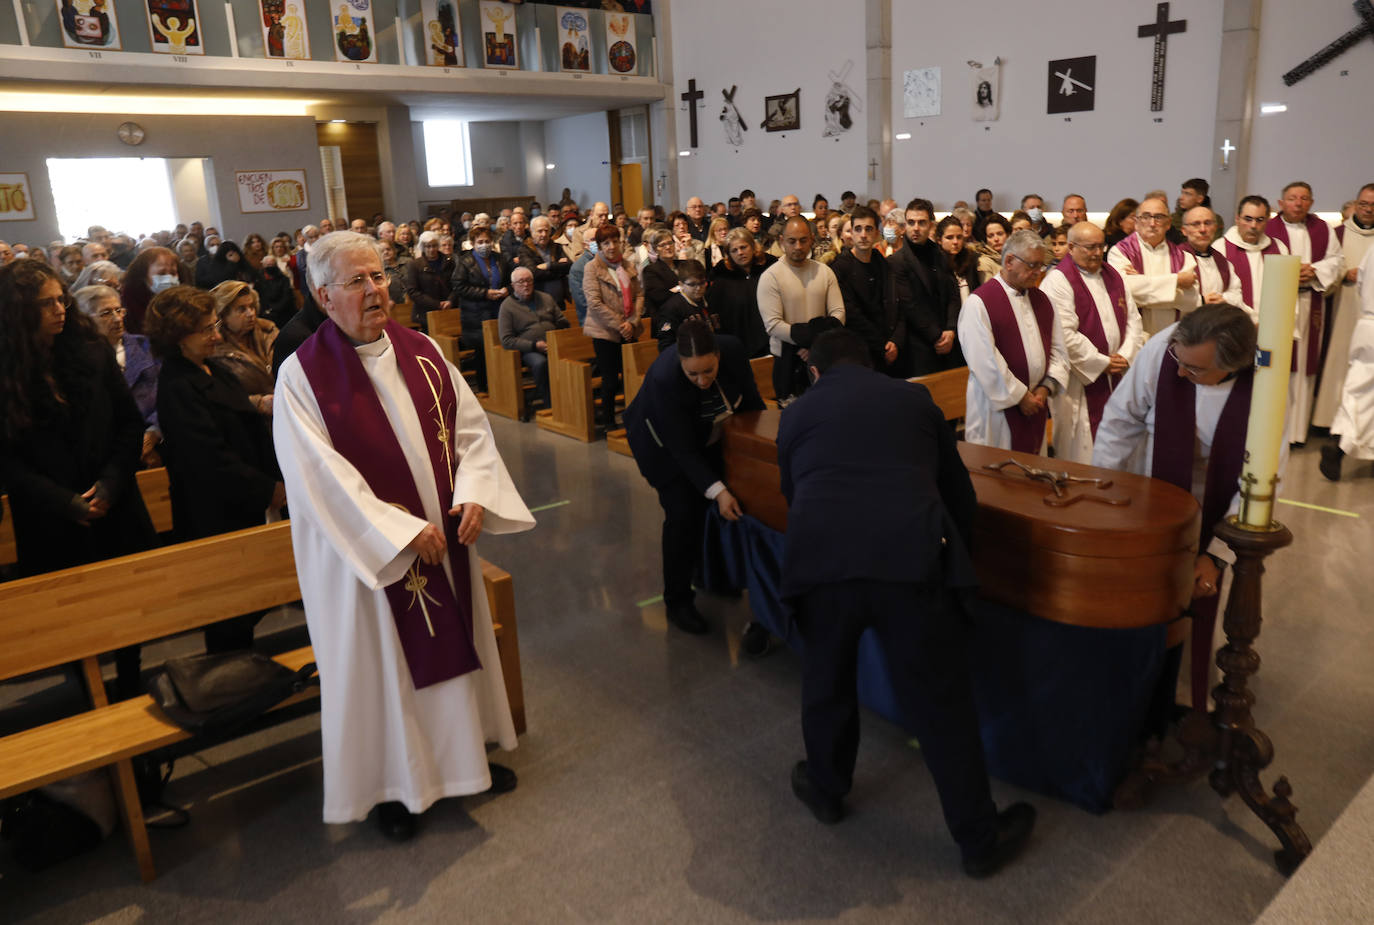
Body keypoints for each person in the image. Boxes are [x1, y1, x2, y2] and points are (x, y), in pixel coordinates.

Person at [272, 230, 531, 840]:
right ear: (322, 293)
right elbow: (317, 478)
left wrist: (473, 493)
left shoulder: (421, 350)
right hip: (371, 563)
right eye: (356, 281)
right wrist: (402, 530)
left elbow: (472, 433)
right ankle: (397, 787)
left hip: (446, 543)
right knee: (385, 667)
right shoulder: (300, 376)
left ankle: (466, 762)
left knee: (455, 645)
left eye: (379, 276)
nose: (374, 291)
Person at [776, 327, 1035, 878]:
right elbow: (957, 494)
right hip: (908, 565)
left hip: (822, 565)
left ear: (814, 372)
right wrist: (955, 562)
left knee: (826, 684)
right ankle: (977, 839)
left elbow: (794, 494)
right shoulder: (912, 399)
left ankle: (826, 790)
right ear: (871, 365)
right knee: (940, 703)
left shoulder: (795, 415)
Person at [1093, 306, 1271, 713]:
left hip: (1217, 493)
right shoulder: (1166, 349)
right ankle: (1129, 690)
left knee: (1196, 598)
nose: (1178, 375)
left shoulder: (1266, 385)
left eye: (1194, 370)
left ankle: (1181, 698)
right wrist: (1102, 493)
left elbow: (1259, 480)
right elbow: (1121, 420)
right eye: (1179, 360)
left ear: (1233, 367)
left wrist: (1216, 555)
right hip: (1153, 479)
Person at [0, 262, 156, 699]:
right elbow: (6, 460)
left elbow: (129, 425)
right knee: (70, 621)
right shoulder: (6, 371)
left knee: (127, 611)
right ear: (17, 312)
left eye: (60, 299)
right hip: (50, 514)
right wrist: (63, 501)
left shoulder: (88, 349)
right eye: (45, 304)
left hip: (114, 501)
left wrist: (109, 484)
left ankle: (128, 686)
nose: (59, 310)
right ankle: (87, 697)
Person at [146, 285, 284, 652]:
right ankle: (230, 688)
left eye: (214, 326)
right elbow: (208, 456)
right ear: (178, 337)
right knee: (229, 610)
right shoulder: (177, 386)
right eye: (206, 329)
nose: (217, 335)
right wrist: (267, 489)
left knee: (248, 603)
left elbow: (246, 425)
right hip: (213, 511)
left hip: (240, 502)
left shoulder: (213, 369)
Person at [625, 320, 763, 635]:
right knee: (683, 514)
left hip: (706, 433)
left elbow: (751, 401)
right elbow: (681, 448)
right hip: (659, 445)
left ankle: (707, 575)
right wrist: (718, 490)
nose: (702, 380)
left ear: (718, 355)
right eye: (693, 374)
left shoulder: (733, 349)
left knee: (710, 509)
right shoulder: (664, 377)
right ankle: (677, 601)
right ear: (680, 364)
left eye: (708, 371)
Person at [957, 230, 1069, 454]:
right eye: (1032, 266)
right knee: (998, 480)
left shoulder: (1042, 300)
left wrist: (1046, 387)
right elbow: (984, 361)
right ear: (1009, 261)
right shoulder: (979, 303)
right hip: (996, 410)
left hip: (1036, 404)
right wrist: (1020, 396)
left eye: (1040, 266)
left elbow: (1059, 350)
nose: (1038, 273)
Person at [1041, 222, 1143, 464]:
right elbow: (1063, 334)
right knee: (1082, 450)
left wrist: (1126, 356)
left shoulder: (1114, 275)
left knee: (1118, 444)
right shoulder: (1057, 281)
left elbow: (1133, 320)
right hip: (1081, 380)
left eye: (1101, 246)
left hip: (1117, 374)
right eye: (1090, 247)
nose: (1097, 252)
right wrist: (1102, 362)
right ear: (1071, 247)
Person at [1266, 182, 1345, 445]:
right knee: (1279, 364)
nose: (1298, 203)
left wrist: (1315, 271)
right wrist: (1287, 274)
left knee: (1303, 369)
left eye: (1304, 198)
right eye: (1292, 198)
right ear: (1281, 203)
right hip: (1278, 304)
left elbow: (1337, 260)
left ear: (1311, 202)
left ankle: (1297, 433)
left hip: (1310, 302)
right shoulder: (1268, 228)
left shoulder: (1322, 228)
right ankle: (1273, 429)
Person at [757, 216, 845, 403]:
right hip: (787, 361)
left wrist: (814, 345)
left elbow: (839, 314)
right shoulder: (770, 277)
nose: (798, 246)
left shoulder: (824, 272)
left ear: (812, 240)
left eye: (803, 240)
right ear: (781, 242)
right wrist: (806, 341)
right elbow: (773, 325)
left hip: (822, 357)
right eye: (792, 241)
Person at [74, 284, 161, 466]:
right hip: (107, 453)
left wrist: (154, 432)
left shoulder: (147, 348)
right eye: (105, 313)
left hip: (157, 442)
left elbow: (168, 396)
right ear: (83, 319)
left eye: (119, 310)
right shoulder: (77, 359)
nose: (116, 319)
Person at [1316, 184, 1374, 431]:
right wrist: (1342, 274)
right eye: (1363, 204)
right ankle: (1326, 419)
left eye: (1373, 205)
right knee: (1337, 361)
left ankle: (1359, 426)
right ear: (1356, 204)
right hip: (1342, 308)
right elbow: (1327, 267)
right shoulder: (1337, 234)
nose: (1368, 210)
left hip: (1369, 312)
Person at [1107, 195, 1198, 336]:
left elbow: (1191, 300)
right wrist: (1176, 281)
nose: (1152, 223)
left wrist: (1141, 284)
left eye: (1159, 217)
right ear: (1136, 222)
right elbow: (1125, 291)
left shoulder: (1184, 257)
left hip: (1172, 336)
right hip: (1134, 337)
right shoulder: (1120, 252)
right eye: (1146, 216)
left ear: (1168, 223)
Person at [582, 223, 643, 429]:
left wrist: (632, 322)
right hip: (604, 332)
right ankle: (608, 421)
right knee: (610, 380)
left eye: (615, 241)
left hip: (629, 328)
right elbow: (594, 303)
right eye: (606, 243)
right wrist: (620, 324)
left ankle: (633, 417)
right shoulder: (592, 268)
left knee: (630, 376)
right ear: (599, 246)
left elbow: (640, 294)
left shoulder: (626, 265)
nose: (611, 246)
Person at [831, 206, 905, 375]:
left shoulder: (881, 261)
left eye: (868, 229)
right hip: (859, 350)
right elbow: (851, 314)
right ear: (851, 232)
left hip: (888, 346)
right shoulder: (841, 267)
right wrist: (882, 346)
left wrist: (895, 340)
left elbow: (896, 303)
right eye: (858, 229)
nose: (863, 234)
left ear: (876, 233)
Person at [1322, 246, 1374, 481]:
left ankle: (1341, 442)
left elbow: (1362, 281)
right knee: (1363, 396)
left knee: (1358, 391)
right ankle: (1340, 445)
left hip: (1366, 324)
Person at [892, 198, 958, 376]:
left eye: (921, 223)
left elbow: (953, 294)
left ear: (931, 225)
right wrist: (937, 336)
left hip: (947, 338)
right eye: (911, 222)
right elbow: (909, 305)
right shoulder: (897, 261)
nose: (915, 228)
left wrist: (951, 330)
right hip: (917, 344)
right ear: (905, 225)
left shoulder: (940, 254)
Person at [450, 225, 511, 392]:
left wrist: (507, 289)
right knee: (482, 352)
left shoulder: (500, 259)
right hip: (475, 314)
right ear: (473, 243)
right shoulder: (465, 261)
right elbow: (458, 286)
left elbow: (511, 279)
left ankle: (502, 386)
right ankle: (484, 386)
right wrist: (484, 293)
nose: (484, 245)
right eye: (480, 242)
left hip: (499, 311)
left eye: (487, 241)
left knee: (501, 350)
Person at [498, 266, 568, 409]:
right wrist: (535, 345)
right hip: (530, 350)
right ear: (513, 285)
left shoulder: (546, 298)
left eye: (529, 280)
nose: (526, 285)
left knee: (572, 362)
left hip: (554, 345)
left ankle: (570, 401)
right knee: (540, 364)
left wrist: (555, 338)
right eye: (521, 282)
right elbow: (506, 340)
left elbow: (563, 322)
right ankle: (551, 405)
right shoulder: (507, 306)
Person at [210, 280, 279, 415]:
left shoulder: (269, 332)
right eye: (241, 309)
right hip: (249, 422)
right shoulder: (214, 349)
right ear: (223, 315)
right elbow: (219, 397)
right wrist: (256, 403)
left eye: (252, 307)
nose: (250, 313)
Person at [1220, 195, 1287, 320]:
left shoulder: (1279, 248)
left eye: (1260, 220)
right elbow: (1220, 294)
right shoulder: (1220, 248)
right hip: (1234, 324)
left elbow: (1286, 293)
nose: (1253, 225)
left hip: (1271, 324)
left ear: (1267, 221)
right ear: (1237, 219)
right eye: (1248, 219)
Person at [708, 227, 772, 358]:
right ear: (729, 255)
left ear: (753, 247)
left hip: (769, 340)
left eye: (744, 247)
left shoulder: (770, 268)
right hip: (736, 343)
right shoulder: (722, 277)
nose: (740, 253)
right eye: (734, 250)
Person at [653, 260, 718, 350]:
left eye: (702, 283)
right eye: (692, 284)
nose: (698, 288)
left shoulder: (710, 300)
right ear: (681, 285)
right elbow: (666, 345)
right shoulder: (672, 308)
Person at [121, 246, 182, 334]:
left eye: (173, 273)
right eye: (162, 273)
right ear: (143, 276)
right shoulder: (129, 300)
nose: (169, 277)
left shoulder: (181, 298)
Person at [404, 230, 455, 332]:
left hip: (449, 310)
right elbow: (413, 291)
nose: (432, 249)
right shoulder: (415, 265)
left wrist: (450, 300)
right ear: (423, 247)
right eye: (428, 246)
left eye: (434, 245)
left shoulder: (449, 262)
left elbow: (456, 284)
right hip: (425, 313)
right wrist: (437, 304)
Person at [517, 215, 571, 306]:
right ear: (531, 232)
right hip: (538, 301)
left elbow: (568, 266)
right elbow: (533, 273)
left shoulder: (557, 246)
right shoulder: (524, 249)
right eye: (540, 231)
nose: (544, 234)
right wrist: (558, 268)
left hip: (559, 300)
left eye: (546, 230)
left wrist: (548, 266)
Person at [640, 228, 680, 327]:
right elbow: (660, 296)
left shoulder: (683, 265)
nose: (668, 247)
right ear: (655, 249)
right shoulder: (651, 270)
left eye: (670, 243)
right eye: (662, 245)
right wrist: (681, 288)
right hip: (665, 319)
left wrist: (675, 290)